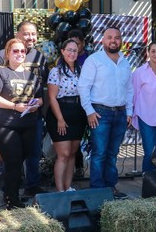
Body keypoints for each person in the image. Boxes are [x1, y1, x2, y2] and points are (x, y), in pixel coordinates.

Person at [0, 21, 48, 196]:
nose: (30, 37)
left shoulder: (40, 57)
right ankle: (10, 190)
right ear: (18, 34)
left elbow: (42, 85)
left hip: (32, 118)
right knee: (11, 159)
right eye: (26, 33)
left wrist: (37, 104)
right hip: (8, 119)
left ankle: (31, 186)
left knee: (34, 154)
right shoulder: (0, 56)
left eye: (33, 34)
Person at [78, 27, 133, 199]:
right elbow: (83, 87)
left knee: (113, 153)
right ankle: (97, 191)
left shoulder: (125, 62)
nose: (113, 40)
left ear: (121, 40)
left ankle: (110, 188)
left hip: (121, 113)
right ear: (102, 40)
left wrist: (129, 112)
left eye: (117, 37)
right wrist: (89, 111)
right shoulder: (94, 60)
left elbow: (129, 89)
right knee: (99, 153)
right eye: (109, 37)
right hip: (100, 113)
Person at [46, 39, 87, 192]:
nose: (72, 53)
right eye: (69, 50)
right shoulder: (55, 71)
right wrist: (60, 120)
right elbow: (52, 98)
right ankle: (60, 191)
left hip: (78, 114)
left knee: (72, 155)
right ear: (62, 51)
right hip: (60, 114)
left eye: (75, 50)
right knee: (63, 154)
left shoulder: (81, 70)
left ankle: (67, 187)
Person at [132, 41, 156, 172]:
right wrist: (131, 115)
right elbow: (134, 94)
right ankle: (147, 183)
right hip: (146, 117)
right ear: (148, 53)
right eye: (153, 51)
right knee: (150, 153)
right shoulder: (139, 72)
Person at [66, 29, 88, 178]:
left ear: (83, 44)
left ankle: (79, 166)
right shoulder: (61, 62)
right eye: (71, 46)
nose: (74, 49)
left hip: (87, 105)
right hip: (67, 107)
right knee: (68, 142)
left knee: (80, 138)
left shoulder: (90, 59)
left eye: (77, 45)